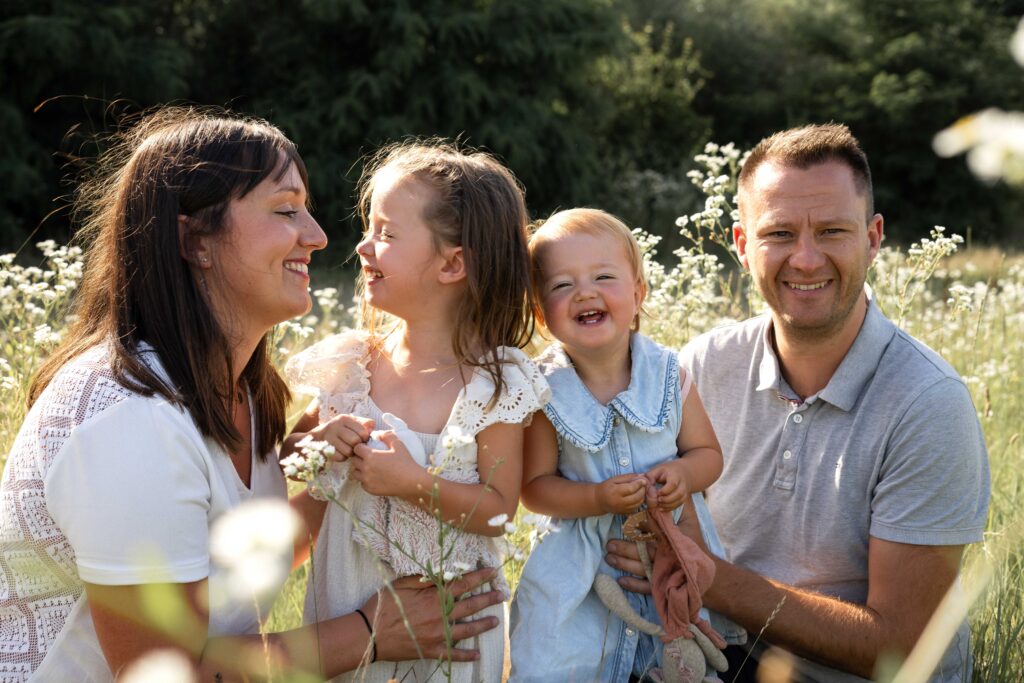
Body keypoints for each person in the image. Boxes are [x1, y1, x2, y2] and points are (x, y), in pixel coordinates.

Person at [0, 109, 504, 682]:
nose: (317, 236)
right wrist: (370, 631)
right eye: (286, 210)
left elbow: (236, 567)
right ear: (196, 240)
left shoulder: (244, 392)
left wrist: (342, 467)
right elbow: (164, 673)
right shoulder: (130, 421)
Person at [606, 123, 991, 682]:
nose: (806, 260)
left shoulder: (928, 403)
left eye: (832, 230)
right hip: (728, 656)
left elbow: (903, 648)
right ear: (741, 246)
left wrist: (709, 579)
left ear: (874, 238)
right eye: (779, 234)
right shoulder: (703, 365)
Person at [282, 140, 549, 683]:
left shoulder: (494, 384)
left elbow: (499, 514)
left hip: (448, 640)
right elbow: (284, 462)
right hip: (344, 619)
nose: (362, 246)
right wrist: (319, 443)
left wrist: (410, 482)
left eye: (385, 233)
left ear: (452, 263)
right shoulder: (350, 366)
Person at [508, 208, 727, 682]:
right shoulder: (545, 390)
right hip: (582, 570)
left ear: (637, 293)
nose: (585, 292)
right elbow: (535, 487)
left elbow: (709, 455)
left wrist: (684, 477)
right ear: (542, 314)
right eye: (562, 285)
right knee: (559, 661)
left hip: (668, 549)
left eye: (603, 277)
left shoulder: (669, 375)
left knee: (675, 656)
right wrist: (596, 498)